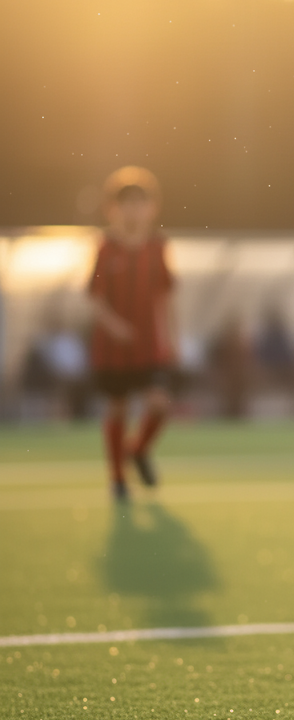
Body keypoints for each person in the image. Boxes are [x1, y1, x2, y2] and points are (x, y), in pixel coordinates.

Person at [88, 167, 176, 501]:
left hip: (149, 347)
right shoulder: (105, 248)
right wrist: (115, 327)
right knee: (118, 409)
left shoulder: (157, 247)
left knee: (160, 404)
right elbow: (94, 299)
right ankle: (117, 479)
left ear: (151, 207)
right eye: (126, 204)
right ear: (113, 209)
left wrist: (171, 339)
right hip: (111, 349)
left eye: (140, 203)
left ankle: (138, 450)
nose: (133, 210)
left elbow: (166, 296)